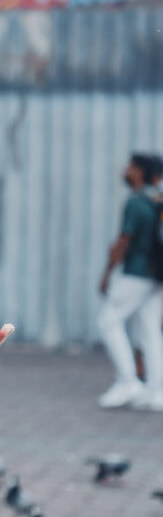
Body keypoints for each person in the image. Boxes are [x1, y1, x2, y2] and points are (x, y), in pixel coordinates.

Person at [97, 153, 163, 411]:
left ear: (141, 172)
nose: (126, 170)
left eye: (132, 167)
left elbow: (124, 240)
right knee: (149, 329)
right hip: (156, 275)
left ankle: (127, 381)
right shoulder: (156, 199)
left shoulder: (136, 203)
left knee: (108, 320)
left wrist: (107, 272)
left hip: (136, 273)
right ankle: (155, 390)